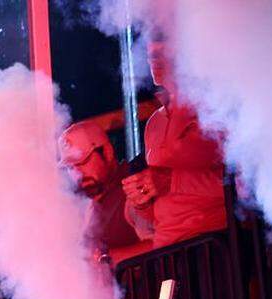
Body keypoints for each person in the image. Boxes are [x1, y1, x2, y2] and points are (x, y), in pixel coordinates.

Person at [121, 35, 227, 250]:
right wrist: (142, 200)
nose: (154, 62)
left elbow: (234, 188)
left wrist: (170, 182)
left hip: (211, 244)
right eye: (151, 55)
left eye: (162, 54)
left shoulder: (210, 108)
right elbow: (160, 213)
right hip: (166, 250)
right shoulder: (154, 123)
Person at [60, 121, 143, 259]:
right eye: (70, 168)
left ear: (107, 152)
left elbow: (160, 245)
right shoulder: (83, 206)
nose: (77, 174)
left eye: (83, 162)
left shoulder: (135, 185)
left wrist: (106, 259)